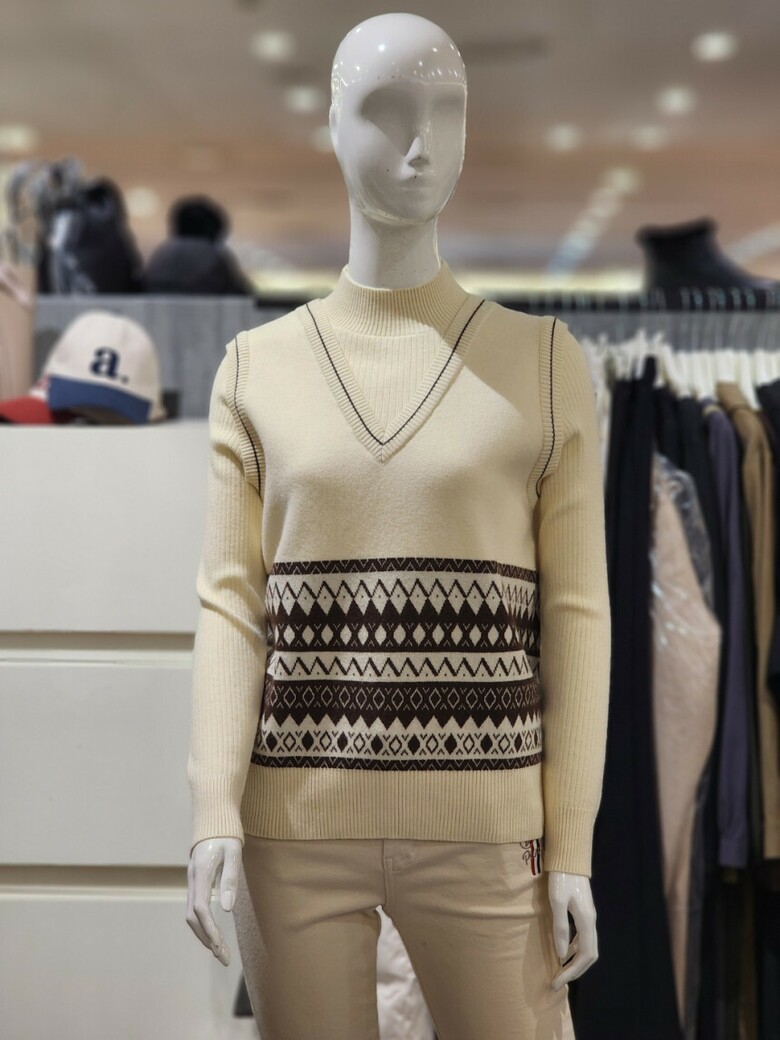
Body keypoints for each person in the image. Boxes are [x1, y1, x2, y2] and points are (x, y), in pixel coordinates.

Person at [185, 13, 611, 1039]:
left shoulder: (544, 363)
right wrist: (213, 810)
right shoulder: (255, 370)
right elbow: (233, 606)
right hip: (294, 832)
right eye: (387, 110)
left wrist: (572, 843)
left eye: (447, 110)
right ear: (333, 126)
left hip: (490, 828)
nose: (422, 143)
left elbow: (577, 615)